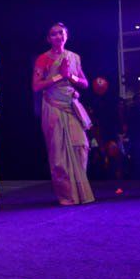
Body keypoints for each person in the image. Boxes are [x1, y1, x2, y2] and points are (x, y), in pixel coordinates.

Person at [32, 22, 95, 205]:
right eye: (53, 34)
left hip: (71, 106)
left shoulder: (74, 57)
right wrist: (60, 76)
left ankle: (80, 192)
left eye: (61, 33)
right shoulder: (43, 59)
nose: (58, 37)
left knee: (81, 146)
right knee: (58, 154)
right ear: (48, 38)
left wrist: (70, 77)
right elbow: (36, 86)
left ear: (66, 35)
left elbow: (84, 83)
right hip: (53, 106)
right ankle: (67, 195)